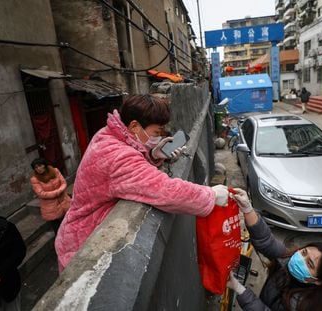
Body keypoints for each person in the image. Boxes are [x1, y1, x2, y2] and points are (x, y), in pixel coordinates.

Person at [55, 94, 229, 271]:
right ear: (134, 126)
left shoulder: (109, 134)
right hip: (81, 247)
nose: (158, 137)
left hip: (78, 233)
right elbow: (165, 190)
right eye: (156, 132)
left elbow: (127, 176)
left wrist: (153, 155)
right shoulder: (117, 156)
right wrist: (211, 195)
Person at [227, 189, 322, 311]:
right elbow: (267, 242)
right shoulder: (288, 260)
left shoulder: (311, 307)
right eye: (304, 252)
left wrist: (241, 290)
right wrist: (248, 210)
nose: (300, 259)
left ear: (318, 281)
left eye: (310, 263)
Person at [30, 158, 70, 234]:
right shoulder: (35, 179)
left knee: (68, 223)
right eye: (36, 167)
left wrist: (59, 191)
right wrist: (57, 192)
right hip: (50, 207)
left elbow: (63, 183)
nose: (39, 169)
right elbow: (41, 193)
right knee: (57, 229)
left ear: (44, 165)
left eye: (40, 165)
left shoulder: (55, 171)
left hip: (63, 200)